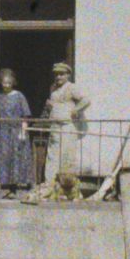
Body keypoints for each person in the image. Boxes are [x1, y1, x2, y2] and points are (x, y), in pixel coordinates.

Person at [45, 61, 93, 199]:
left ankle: (66, 189)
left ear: (67, 75)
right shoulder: (53, 88)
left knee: (66, 156)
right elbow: (55, 104)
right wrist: (51, 106)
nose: (58, 77)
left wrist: (75, 110)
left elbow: (86, 100)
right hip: (55, 126)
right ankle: (50, 186)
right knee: (53, 156)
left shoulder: (72, 88)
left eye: (61, 74)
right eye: (56, 74)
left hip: (67, 127)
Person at [0, 69, 33, 194]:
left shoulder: (19, 96)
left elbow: (25, 115)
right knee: (3, 156)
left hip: (16, 130)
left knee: (17, 156)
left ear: (13, 83)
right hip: (2, 130)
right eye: (4, 83)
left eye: (9, 83)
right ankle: (4, 185)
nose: (6, 85)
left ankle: (17, 185)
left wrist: (23, 132)